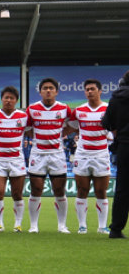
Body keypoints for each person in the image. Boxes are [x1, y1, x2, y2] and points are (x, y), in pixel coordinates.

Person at [26, 77, 75, 233]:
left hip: (57, 154)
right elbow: (26, 128)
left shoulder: (64, 108)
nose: (48, 90)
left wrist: (59, 135)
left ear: (56, 91)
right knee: (36, 189)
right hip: (38, 153)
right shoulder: (32, 109)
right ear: (40, 92)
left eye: (51, 88)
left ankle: (62, 225)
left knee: (59, 190)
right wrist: (38, 136)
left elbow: (72, 125)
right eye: (45, 88)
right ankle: (33, 225)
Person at [70, 79, 112, 234]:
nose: (89, 92)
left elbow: (114, 128)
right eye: (87, 89)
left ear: (100, 91)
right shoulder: (79, 111)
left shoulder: (108, 109)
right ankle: (82, 225)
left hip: (101, 154)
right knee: (82, 189)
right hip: (83, 154)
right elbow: (72, 126)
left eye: (92, 89)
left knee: (101, 191)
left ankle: (102, 226)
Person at [0, 86, 29, 232]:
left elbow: (32, 131)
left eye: (12, 98)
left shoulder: (23, 117)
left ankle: (18, 225)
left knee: (17, 194)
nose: (9, 101)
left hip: (17, 160)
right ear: (2, 99)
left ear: (16, 101)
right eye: (6, 98)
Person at [101, 70, 129, 239]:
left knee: (122, 190)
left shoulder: (116, 98)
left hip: (124, 146)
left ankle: (116, 229)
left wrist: (117, 131)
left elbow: (105, 122)